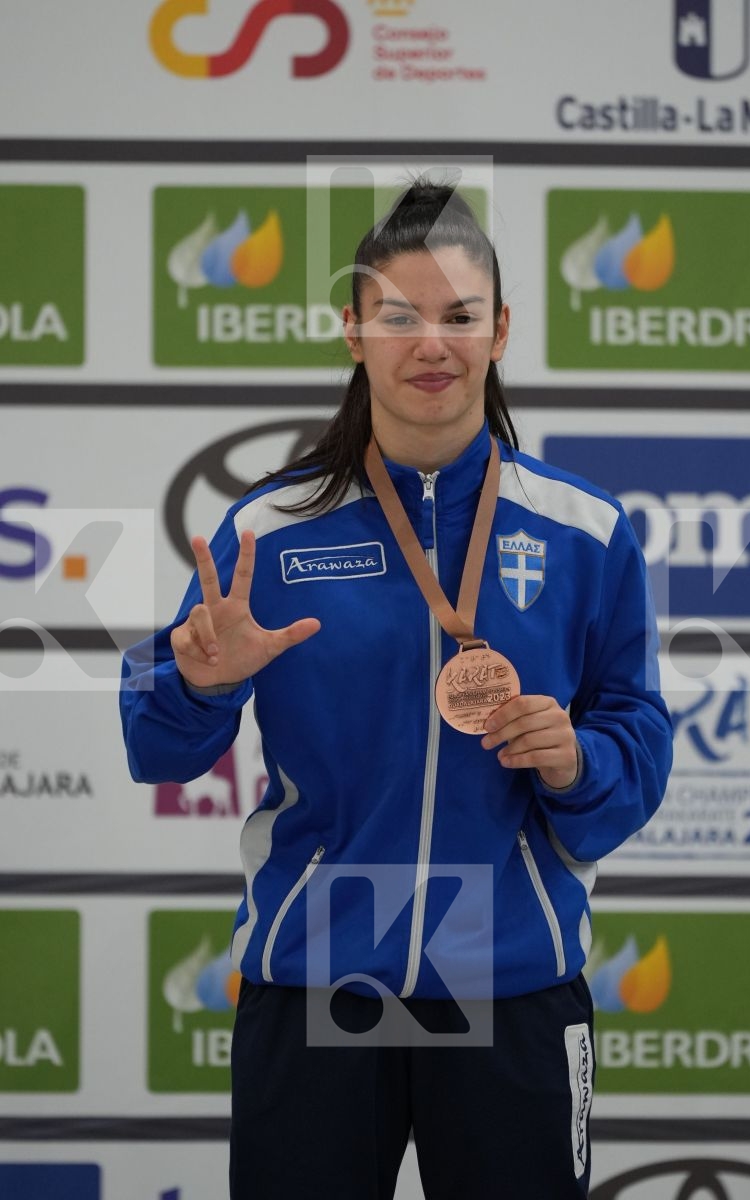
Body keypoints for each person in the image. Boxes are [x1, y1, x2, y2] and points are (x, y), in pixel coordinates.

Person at [120, 178, 673, 1199]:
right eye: (399, 316)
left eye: (460, 317)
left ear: (499, 330)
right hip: (323, 972)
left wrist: (578, 758)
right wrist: (195, 688)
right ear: (352, 332)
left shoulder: (582, 531)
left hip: (509, 974)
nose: (432, 343)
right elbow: (158, 749)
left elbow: (635, 735)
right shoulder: (270, 533)